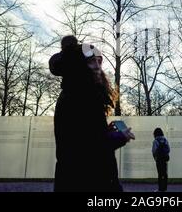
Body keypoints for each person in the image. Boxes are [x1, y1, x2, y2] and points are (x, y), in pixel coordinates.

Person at [49, 35, 135, 192]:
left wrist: (106, 132)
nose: (97, 66)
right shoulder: (78, 96)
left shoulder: (83, 93)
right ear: (79, 65)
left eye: (99, 61)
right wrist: (118, 137)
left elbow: (87, 136)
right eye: (91, 61)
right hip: (85, 182)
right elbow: (86, 150)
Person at [152, 127, 170, 192]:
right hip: (165, 159)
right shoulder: (165, 140)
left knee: (160, 174)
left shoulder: (155, 141)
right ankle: (164, 189)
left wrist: (155, 158)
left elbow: (154, 151)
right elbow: (168, 150)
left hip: (159, 160)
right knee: (165, 174)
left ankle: (160, 189)